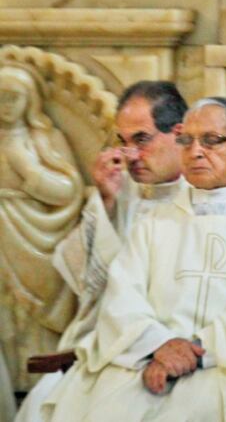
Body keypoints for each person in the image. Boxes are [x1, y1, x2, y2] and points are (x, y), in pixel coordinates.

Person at [42, 97, 226, 422]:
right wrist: (159, 346)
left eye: (211, 141)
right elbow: (122, 298)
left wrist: (194, 354)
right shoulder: (155, 222)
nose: (195, 151)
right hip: (152, 362)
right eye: (186, 140)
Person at [16, 81, 188, 422]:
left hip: (178, 346)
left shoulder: (207, 198)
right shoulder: (124, 193)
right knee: (43, 402)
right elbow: (91, 283)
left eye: (142, 139)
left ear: (179, 133)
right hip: (117, 341)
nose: (130, 156)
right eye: (122, 142)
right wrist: (106, 201)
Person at [0, 65, 83, 395]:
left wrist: (28, 170)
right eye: (0, 97)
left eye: (13, 97)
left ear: (30, 100)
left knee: (32, 321)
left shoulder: (46, 139)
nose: (6, 105)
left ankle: (35, 388)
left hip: (37, 239)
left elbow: (69, 191)